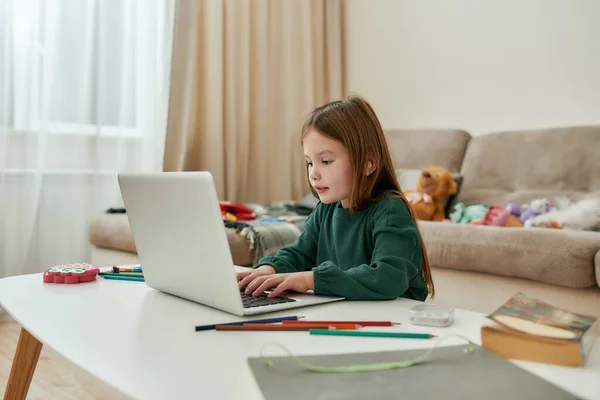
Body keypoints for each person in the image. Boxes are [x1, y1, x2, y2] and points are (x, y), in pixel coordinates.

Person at [236, 95, 434, 301]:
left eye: (326, 161)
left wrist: (310, 280)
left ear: (368, 163)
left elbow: (388, 277)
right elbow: (300, 252)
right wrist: (270, 268)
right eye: (310, 163)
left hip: (396, 319)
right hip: (350, 314)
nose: (313, 173)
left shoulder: (390, 210)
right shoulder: (325, 209)